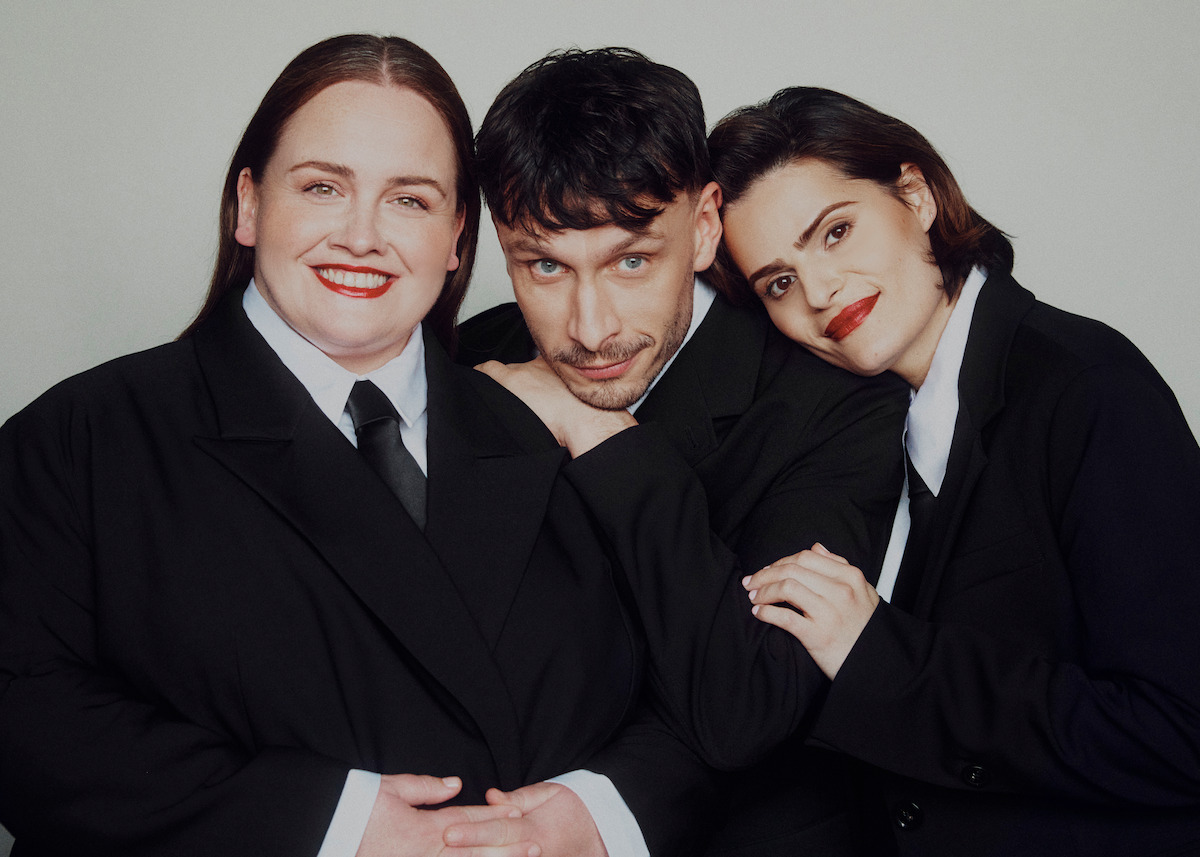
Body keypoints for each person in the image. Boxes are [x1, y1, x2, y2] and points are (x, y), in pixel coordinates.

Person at [0, 34, 711, 857]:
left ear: (456, 238)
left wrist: (601, 813)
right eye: (323, 187)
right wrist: (325, 823)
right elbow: (22, 714)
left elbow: (697, 699)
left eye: (410, 199)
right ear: (249, 204)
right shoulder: (80, 441)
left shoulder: (561, 432)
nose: (363, 236)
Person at [712, 86, 1200, 855]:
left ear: (916, 194)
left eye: (835, 231)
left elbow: (1180, 731)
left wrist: (878, 654)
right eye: (778, 279)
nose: (818, 290)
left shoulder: (1085, 386)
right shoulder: (866, 430)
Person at [455, 48, 909, 856]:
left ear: (704, 227)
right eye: (545, 266)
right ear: (500, 241)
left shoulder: (835, 409)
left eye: (633, 260)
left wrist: (601, 435)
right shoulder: (464, 363)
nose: (590, 329)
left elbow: (747, 708)